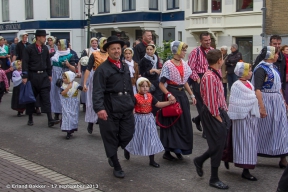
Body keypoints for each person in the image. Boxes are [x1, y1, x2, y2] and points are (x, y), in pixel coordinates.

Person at [92, 35, 135, 178]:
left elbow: (129, 86)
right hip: (109, 105)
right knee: (110, 136)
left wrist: (133, 103)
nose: (116, 51)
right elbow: (97, 90)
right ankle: (115, 163)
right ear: (108, 51)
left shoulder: (125, 66)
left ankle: (111, 152)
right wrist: (99, 108)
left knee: (128, 133)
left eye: (118, 48)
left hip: (126, 105)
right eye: (113, 49)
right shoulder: (102, 69)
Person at [193, 49, 230, 190]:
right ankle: (213, 178)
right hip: (212, 113)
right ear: (219, 60)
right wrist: (218, 117)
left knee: (220, 144)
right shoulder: (209, 76)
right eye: (222, 58)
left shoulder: (216, 73)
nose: (223, 60)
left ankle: (200, 160)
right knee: (218, 145)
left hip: (219, 112)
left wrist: (224, 111)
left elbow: (219, 96)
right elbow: (210, 101)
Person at [158, 41, 196, 161]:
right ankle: (169, 150)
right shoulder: (168, 65)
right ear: (177, 51)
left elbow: (184, 81)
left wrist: (192, 95)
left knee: (184, 123)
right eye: (183, 50)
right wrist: (168, 94)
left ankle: (180, 148)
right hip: (172, 95)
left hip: (181, 95)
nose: (185, 52)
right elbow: (161, 84)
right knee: (172, 123)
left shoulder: (184, 64)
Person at [252, 46, 288, 168]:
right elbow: (257, 89)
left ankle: (283, 157)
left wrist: (283, 100)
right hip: (266, 101)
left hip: (277, 101)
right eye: (277, 54)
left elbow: (279, 86)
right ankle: (254, 154)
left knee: (281, 129)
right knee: (263, 129)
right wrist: (262, 107)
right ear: (271, 55)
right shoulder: (261, 69)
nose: (278, 56)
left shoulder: (275, 68)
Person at [125, 77, 172, 167]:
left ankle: (152, 160)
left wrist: (169, 103)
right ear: (138, 87)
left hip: (149, 118)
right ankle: (127, 149)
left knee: (151, 138)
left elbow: (158, 104)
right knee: (135, 137)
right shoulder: (135, 97)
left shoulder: (150, 96)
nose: (145, 88)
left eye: (147, 86)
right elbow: (130, 108)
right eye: (143, 86)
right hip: (139, 119)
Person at [228, 62, 260, 181]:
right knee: (244, 143)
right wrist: (253, 99)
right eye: (250, 70)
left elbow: (251, 97)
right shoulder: (237, 85)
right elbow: (235, 102)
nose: (251, 73)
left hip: (250, 117)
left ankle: (246, 166)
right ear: (244, 72)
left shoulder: (249, 85)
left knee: (250, 142)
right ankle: (245, 169)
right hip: (241, 118)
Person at [21, 30, 59, 127]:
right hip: (32, 76)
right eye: (43, 37)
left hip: (43, 76)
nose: (45, 39)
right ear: (38, 37)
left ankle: (50, 119)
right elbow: (25, 63)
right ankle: (30, 118)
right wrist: (25, 76)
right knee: (31, 98)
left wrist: (49, 75)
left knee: (46, 98)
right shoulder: (29, 49)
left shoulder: (45, 48)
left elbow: (48, 62)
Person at [188, 32, 214, 134]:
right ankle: (206, 131)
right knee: (202, 105)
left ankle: (198, 119)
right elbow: (190, 68)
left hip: (210, 78)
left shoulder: (212, 51)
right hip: (199, 78)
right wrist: (196, 78)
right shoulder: (195, 52)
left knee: (209, 104)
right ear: (201, 41)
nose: (208, 42)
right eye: (206, 40)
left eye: (209, 40)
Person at [83, 37, 108, 134]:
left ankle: (104, 125)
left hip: (107, 79)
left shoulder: (110, 54)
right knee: (94, 100)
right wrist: (85, 83)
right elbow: (88, 68)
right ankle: (91, 122)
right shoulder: (94, 54)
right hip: (96, 78)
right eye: (104, 43)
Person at [50, 39, 75, 121]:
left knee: (65, 95)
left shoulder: (70, 55)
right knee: (55, 95)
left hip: (65, 77)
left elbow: (74, 69)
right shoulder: (54, 54)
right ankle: (56, 114)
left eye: (60, 45)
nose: (58, 46)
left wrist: (68, 65)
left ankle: (65, 113)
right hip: (55, 76)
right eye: (58, 44)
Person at [138, 44, 162, 115]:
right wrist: (151, 71)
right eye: (147, 49)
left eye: (151, 49)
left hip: (156, 82)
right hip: (148, 82)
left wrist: (159, 70)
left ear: (154, 50)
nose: (149, 51)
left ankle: (157, 118)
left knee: (158, 100)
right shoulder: (143, 60)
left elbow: (158, 68)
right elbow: (141, 74)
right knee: (149, 101)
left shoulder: (156, 58)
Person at [60, 71, 83, 140]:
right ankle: (68, 131)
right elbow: (62, 93)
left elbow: (82, 89)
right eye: (63, 78)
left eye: (65, 78)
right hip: (66, 103)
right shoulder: (63, 85)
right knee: (67, 115)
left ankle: (71, 129)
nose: (63, 79)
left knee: (73, 116)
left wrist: (85, 87)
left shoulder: (76, 84)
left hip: (73, 103)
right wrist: (68, 88)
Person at [78, 37, 99, 112]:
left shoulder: (100, 51)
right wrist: (79, 71)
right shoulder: (87, 51)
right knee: (86, 85)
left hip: (96, 71)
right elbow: (80, 61)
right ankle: (84, 103)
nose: (94, 44)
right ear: (91, 43)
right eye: (93, 43)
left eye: (95, 43)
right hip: (88, 70)